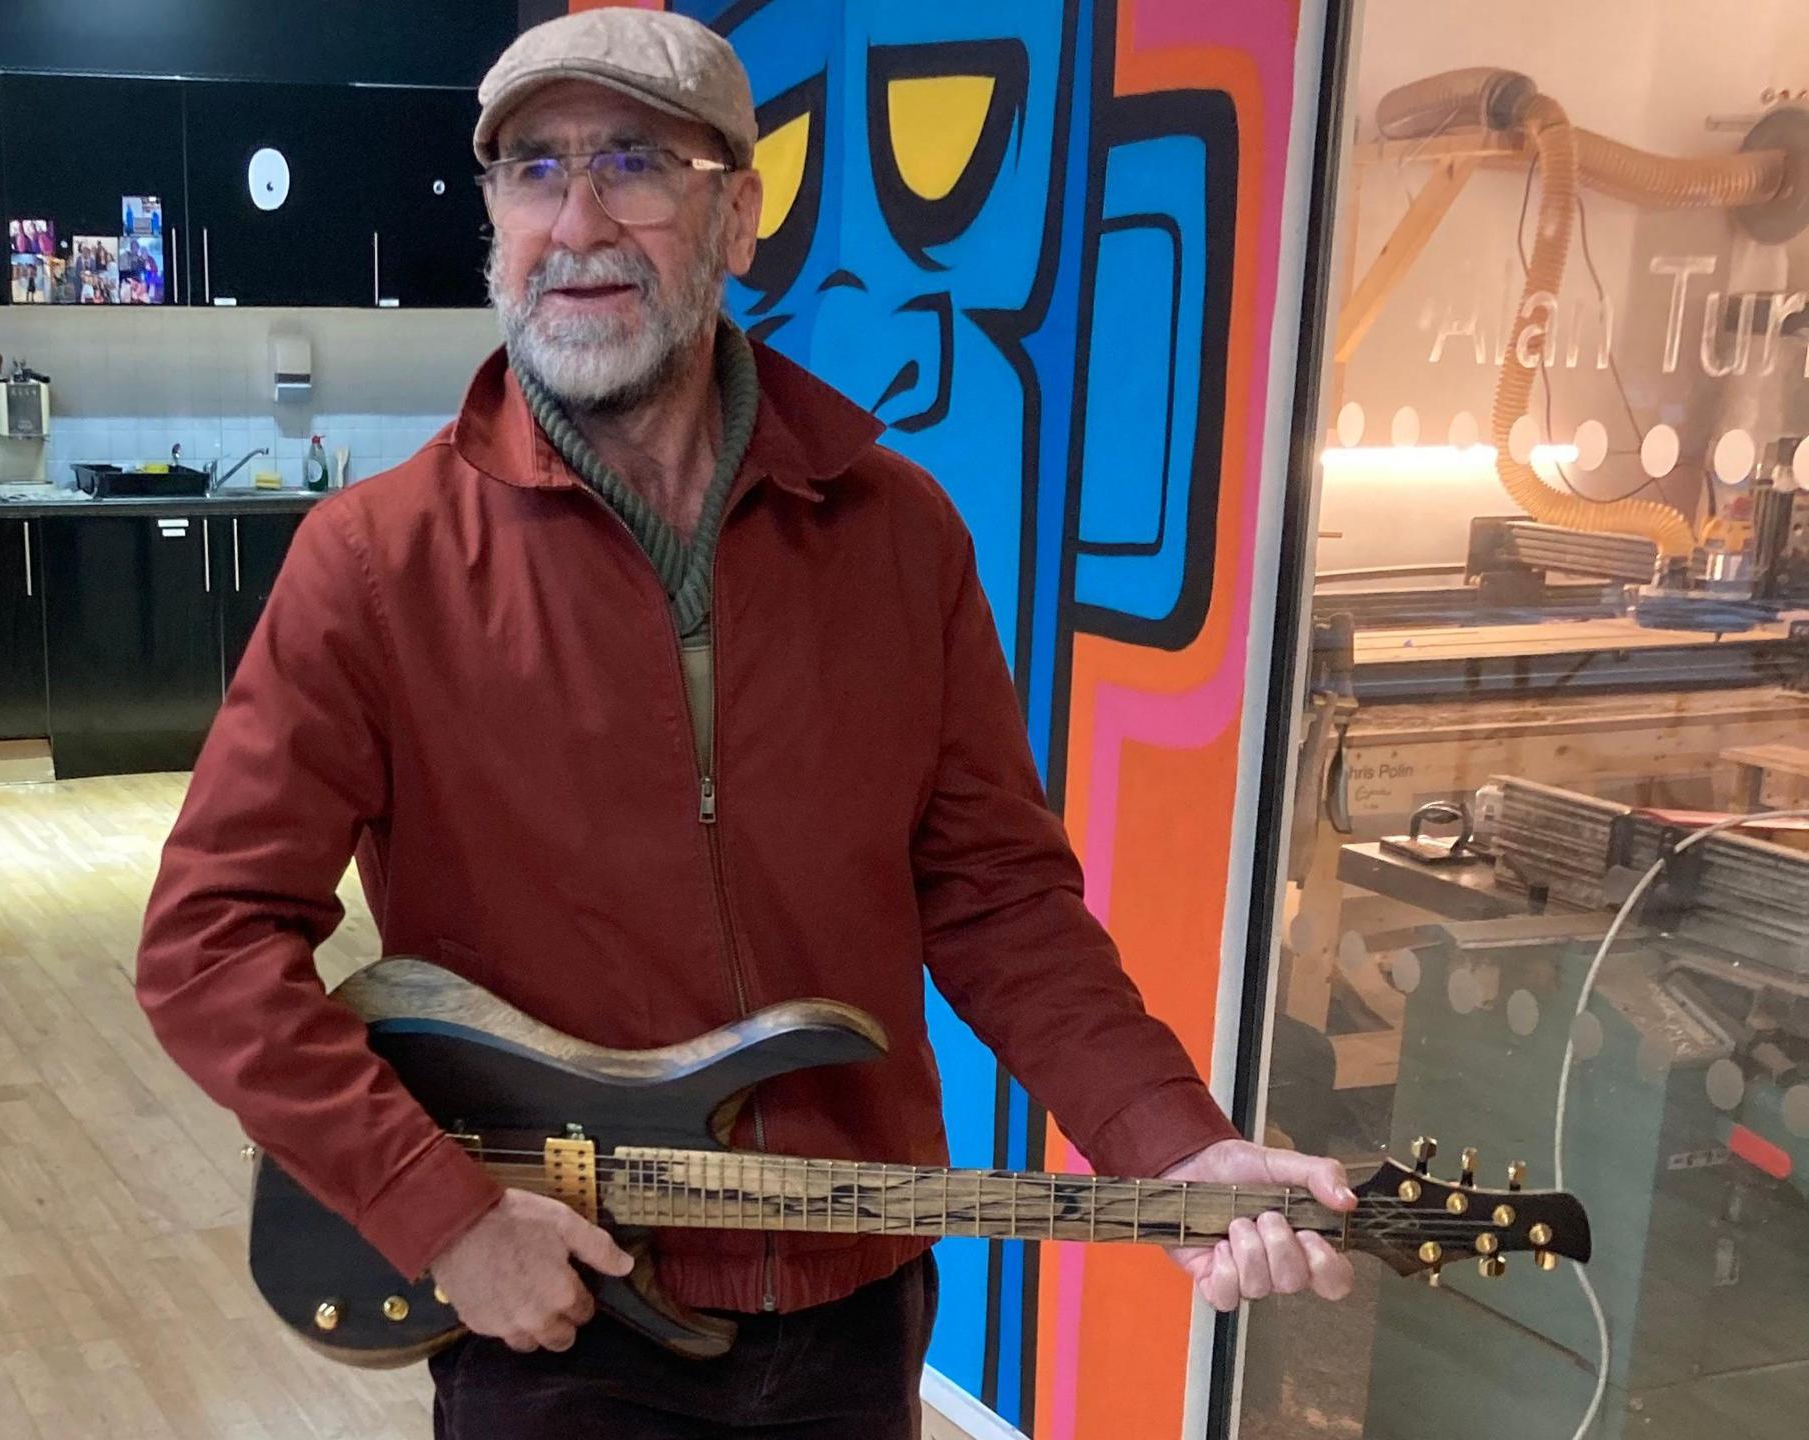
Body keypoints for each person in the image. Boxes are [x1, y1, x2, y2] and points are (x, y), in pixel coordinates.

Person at [137, 9, 1353, 1435]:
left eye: (635, 163)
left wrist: (1172, 1142)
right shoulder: (376, 564)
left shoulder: (901, 538)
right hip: (553, 1306)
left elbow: (999, 901)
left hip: (854, 1294)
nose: (575, 219)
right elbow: (206, 945)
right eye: (532, 168)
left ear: (738, 217)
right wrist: (443, 1214)